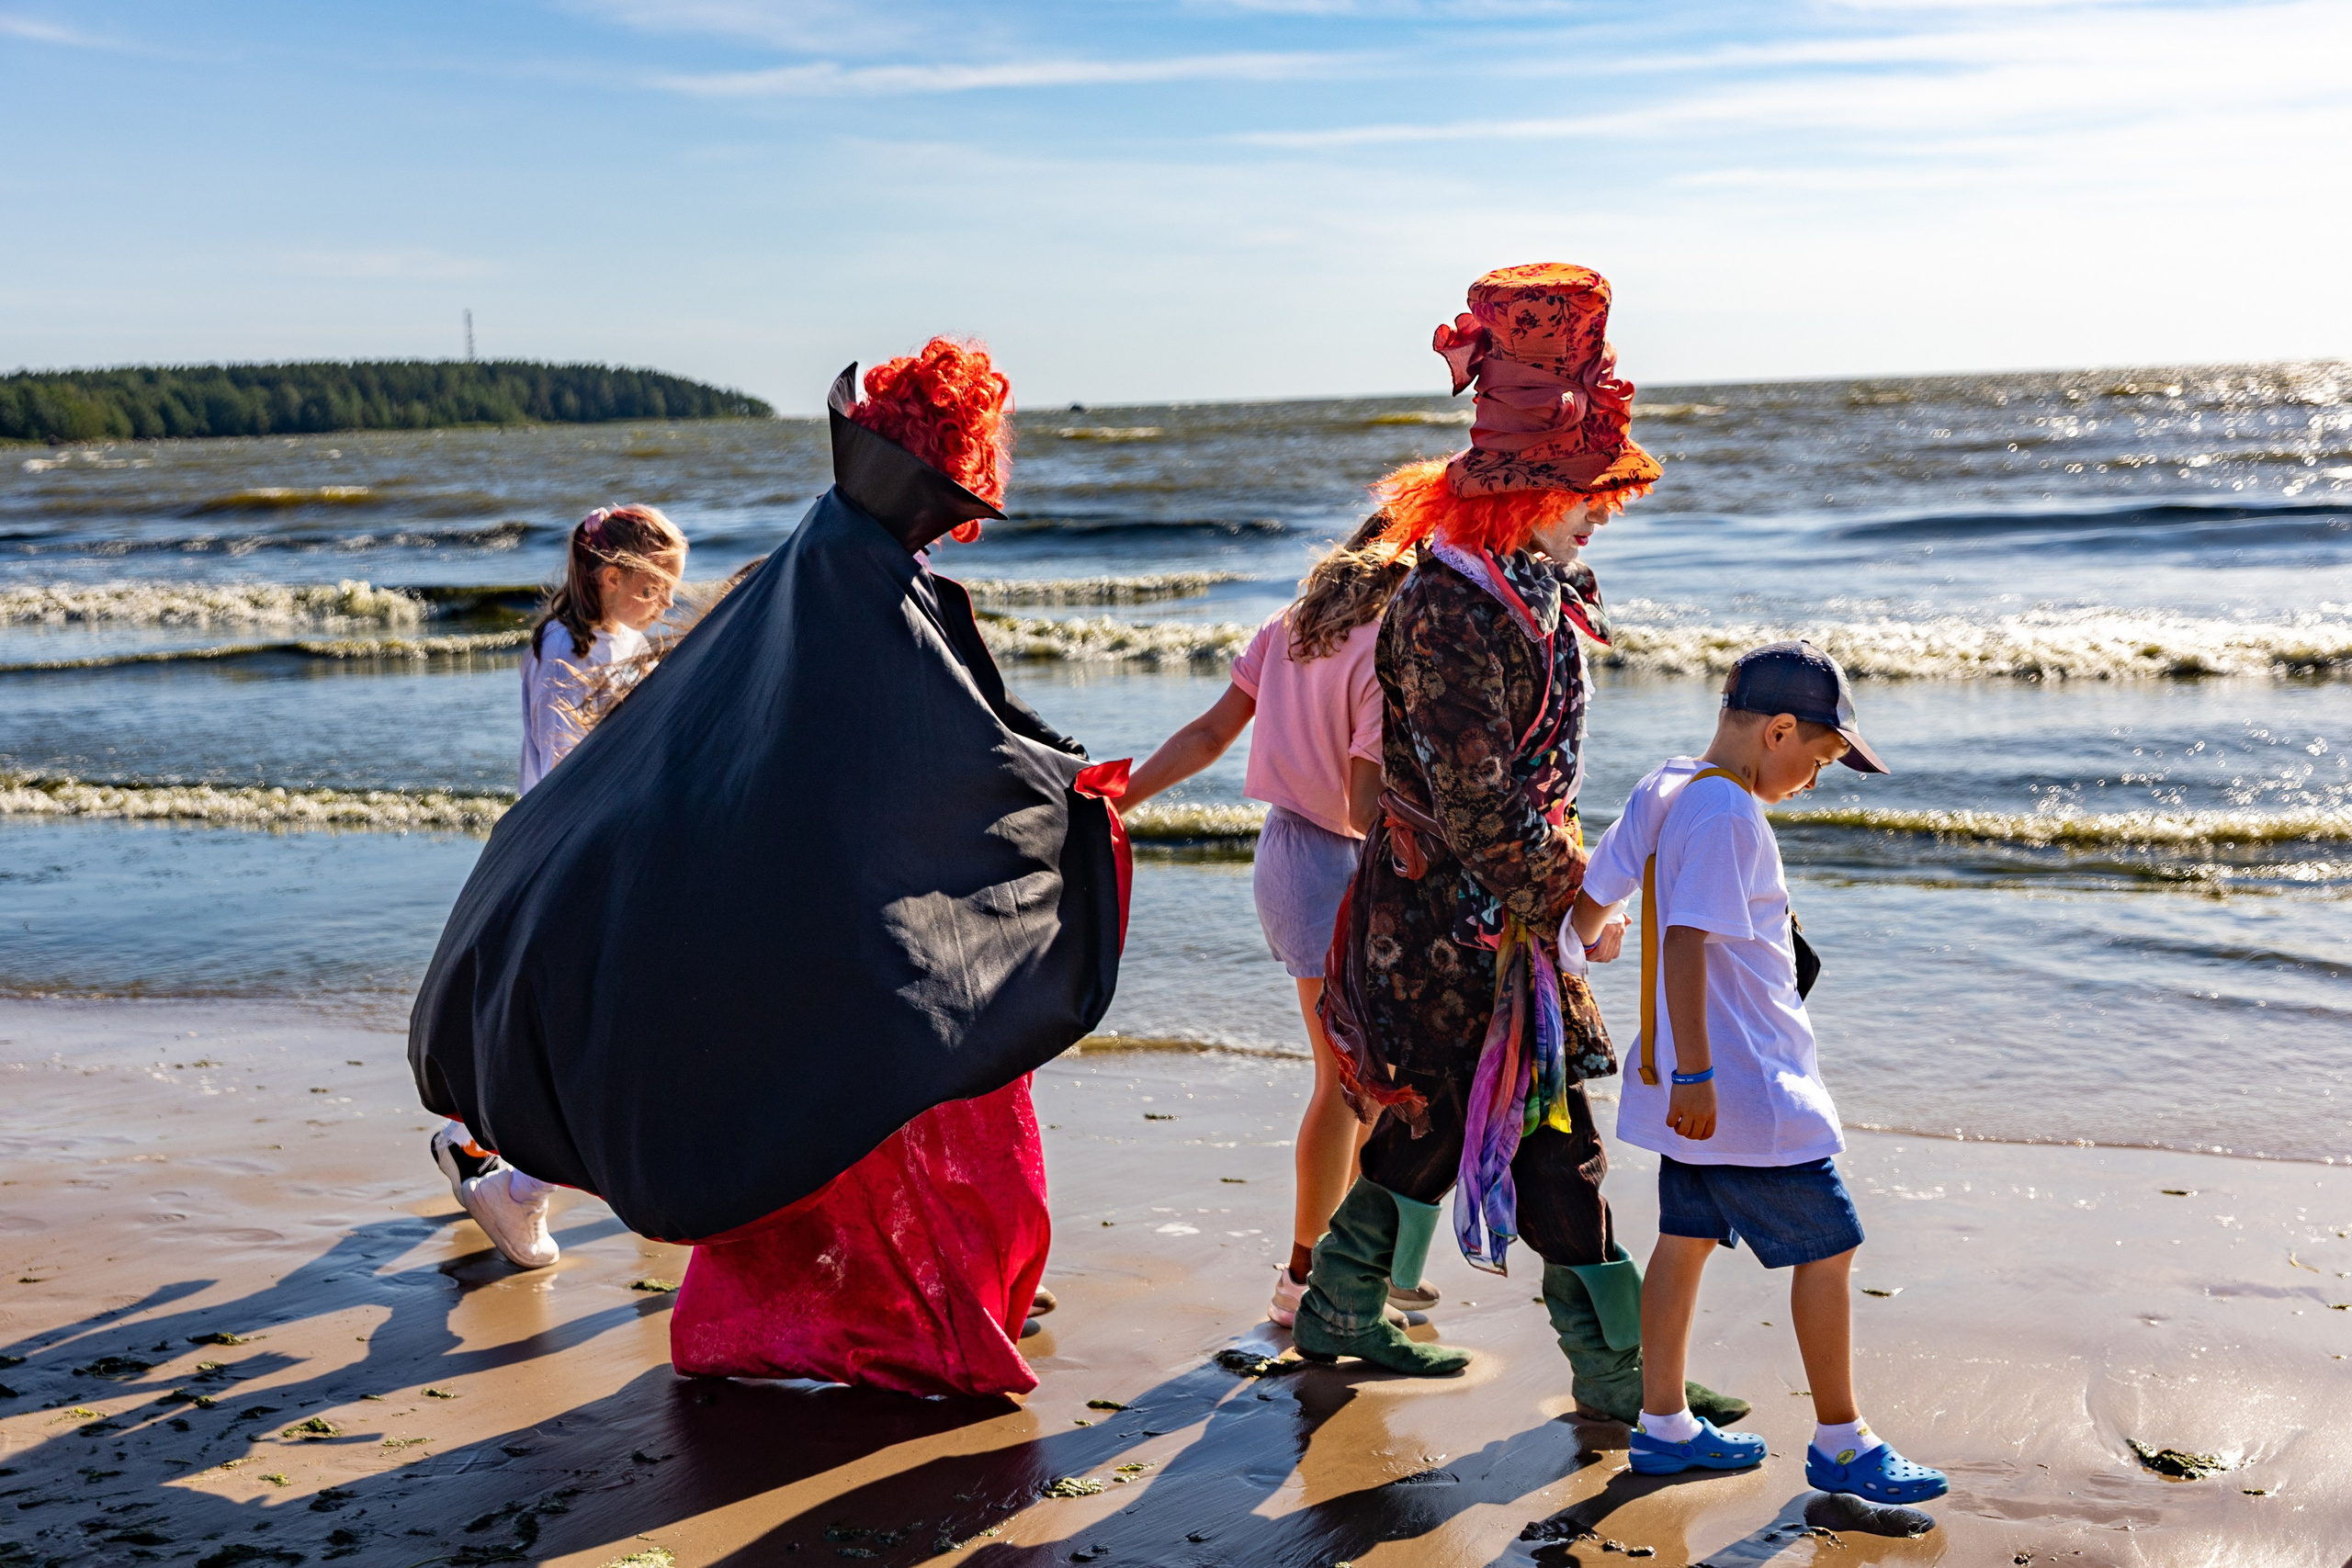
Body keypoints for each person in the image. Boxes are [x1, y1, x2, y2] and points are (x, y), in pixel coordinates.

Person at [409, 338, 1128, 1399]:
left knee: (856, 1111)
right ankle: (924, 1317)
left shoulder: (835, 557)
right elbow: (948, 740)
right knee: (900, 1101)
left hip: (820, 893)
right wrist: (1065, 794)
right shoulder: (866, 582)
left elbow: (916, 731)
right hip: (848, 910)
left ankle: (932, 1301)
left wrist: (1047, 776)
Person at [1304, 262, 1746, 1433]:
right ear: (1521, 492)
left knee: (1469, 1128)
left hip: (1493, 920)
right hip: (1451, 926)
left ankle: (1349, 1311)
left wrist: (1567, 896)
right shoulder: (1450, 607)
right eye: (1584, 488)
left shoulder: (1522, 589)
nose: (1602, 507)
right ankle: (1605, 1374)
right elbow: (1476, 799)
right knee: (1527, 1129)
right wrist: (1584, 897)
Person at [1564, 642, 1948, 1506]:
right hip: (1739, 1090)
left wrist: (1591, 938)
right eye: (1815, 760)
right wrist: (1700, 1074)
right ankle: (1843, 1442)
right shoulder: (1729, 815)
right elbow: (1690, 941)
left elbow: (1599, 892)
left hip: (1686, 1084)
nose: (1812, 781)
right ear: (1777, 730)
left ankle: (1663, 1427)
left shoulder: (1669, 784)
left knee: (1686, 1239)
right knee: (1832, 1244)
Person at [1116, 518, 1422, 1329]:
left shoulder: (1291, 630)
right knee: (1351, 1085)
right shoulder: (1385, 653)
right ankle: (1304, 1277)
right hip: (1343, 870)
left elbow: (1210, 734)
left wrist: (1120, 801)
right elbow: (1364, 804)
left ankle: (1350, 1265)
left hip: (1288, 856)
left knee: (1359, 1083)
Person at [428, 503, 686, 1270]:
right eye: (656, 583)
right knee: (594, 1043)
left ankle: (476, 1142)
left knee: (573, 1033)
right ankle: (519, 1191)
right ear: (611, 576)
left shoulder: (618, 640)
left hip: (597, 860)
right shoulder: (570, 651)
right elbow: (569, 767)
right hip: (575, 865)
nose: (668, 598)